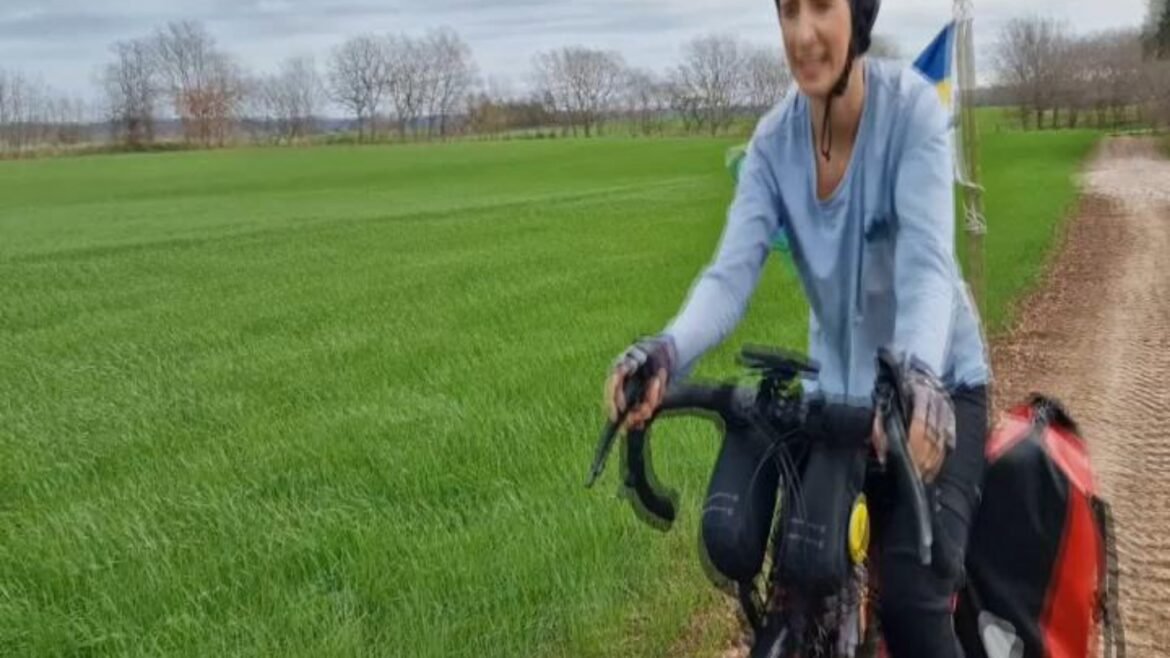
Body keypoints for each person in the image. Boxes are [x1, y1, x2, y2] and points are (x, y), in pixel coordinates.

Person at [604, 0, 991, 655]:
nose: (802, 33)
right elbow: (729, 277)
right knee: (798, 585)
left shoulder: (912, 114)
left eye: (821, 7)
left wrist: (919, 379)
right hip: (835, 394)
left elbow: (926, 270)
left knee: (911, 600)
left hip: (939, 388)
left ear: (858, 14)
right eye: (788, 10)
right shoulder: (774, 143)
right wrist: (666, 351)